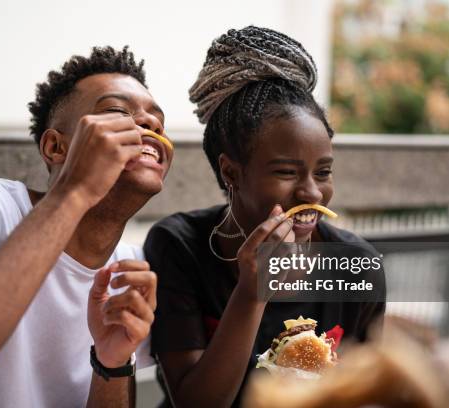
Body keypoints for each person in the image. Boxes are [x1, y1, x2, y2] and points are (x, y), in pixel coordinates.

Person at [0, 46, 173, 407]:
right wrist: (75, 192)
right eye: (118, 111)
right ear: (56, 147)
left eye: (157, 121)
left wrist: (112, 364)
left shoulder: (131, 275)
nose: (150, 125)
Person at [143, 26, 385, 407]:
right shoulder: (178, 245)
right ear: (232, 173)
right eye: (287, 173)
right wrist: (253, 291)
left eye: (323, 172)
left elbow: (362, 392)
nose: (311, 193)